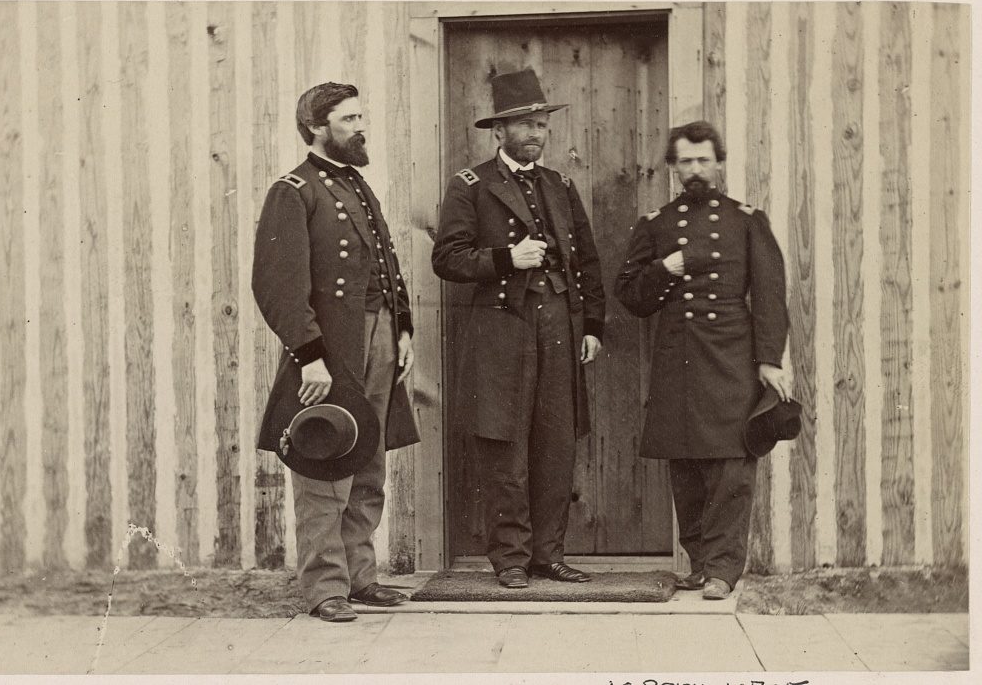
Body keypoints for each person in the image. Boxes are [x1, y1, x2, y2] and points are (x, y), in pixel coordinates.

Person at [432, 68, 605, 589]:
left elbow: (587, 263)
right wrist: (509, 257)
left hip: (558, 324)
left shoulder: (560, 185)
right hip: (501, 330)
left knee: (556, 441)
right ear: (498, 132)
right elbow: (447, 258)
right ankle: (510, 559)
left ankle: (546, 555)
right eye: (523, 125)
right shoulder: (470, 185)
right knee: (504, 443)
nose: (535, 133)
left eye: (540, 124)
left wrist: (592, 325)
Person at [252, 82, 419, 622]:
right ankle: (326, 588)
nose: (360, 126)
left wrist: (403, 330)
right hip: (332, 348)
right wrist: (310, 356)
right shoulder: (293, 190)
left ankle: (361, 578)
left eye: (360, 115)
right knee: (325, 462)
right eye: (349, 119)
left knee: (367, 460)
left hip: (379, 339)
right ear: (318, 128)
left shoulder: (355, 184)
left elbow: (385, 268)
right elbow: (277, 286)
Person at [614, 120, 791, 599]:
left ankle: (723, 570)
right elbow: (630, 295)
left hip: (732, 354)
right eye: (685, 161)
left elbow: (770, 295)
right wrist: (665, 267)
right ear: (672, 168)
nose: (695, 169)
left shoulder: (747, 220)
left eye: (703, 159)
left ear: (718, 163)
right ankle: (698, 563)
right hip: (678, 356)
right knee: (686, 464)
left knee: (733, 464)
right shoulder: (656, 224)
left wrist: (769, 359)